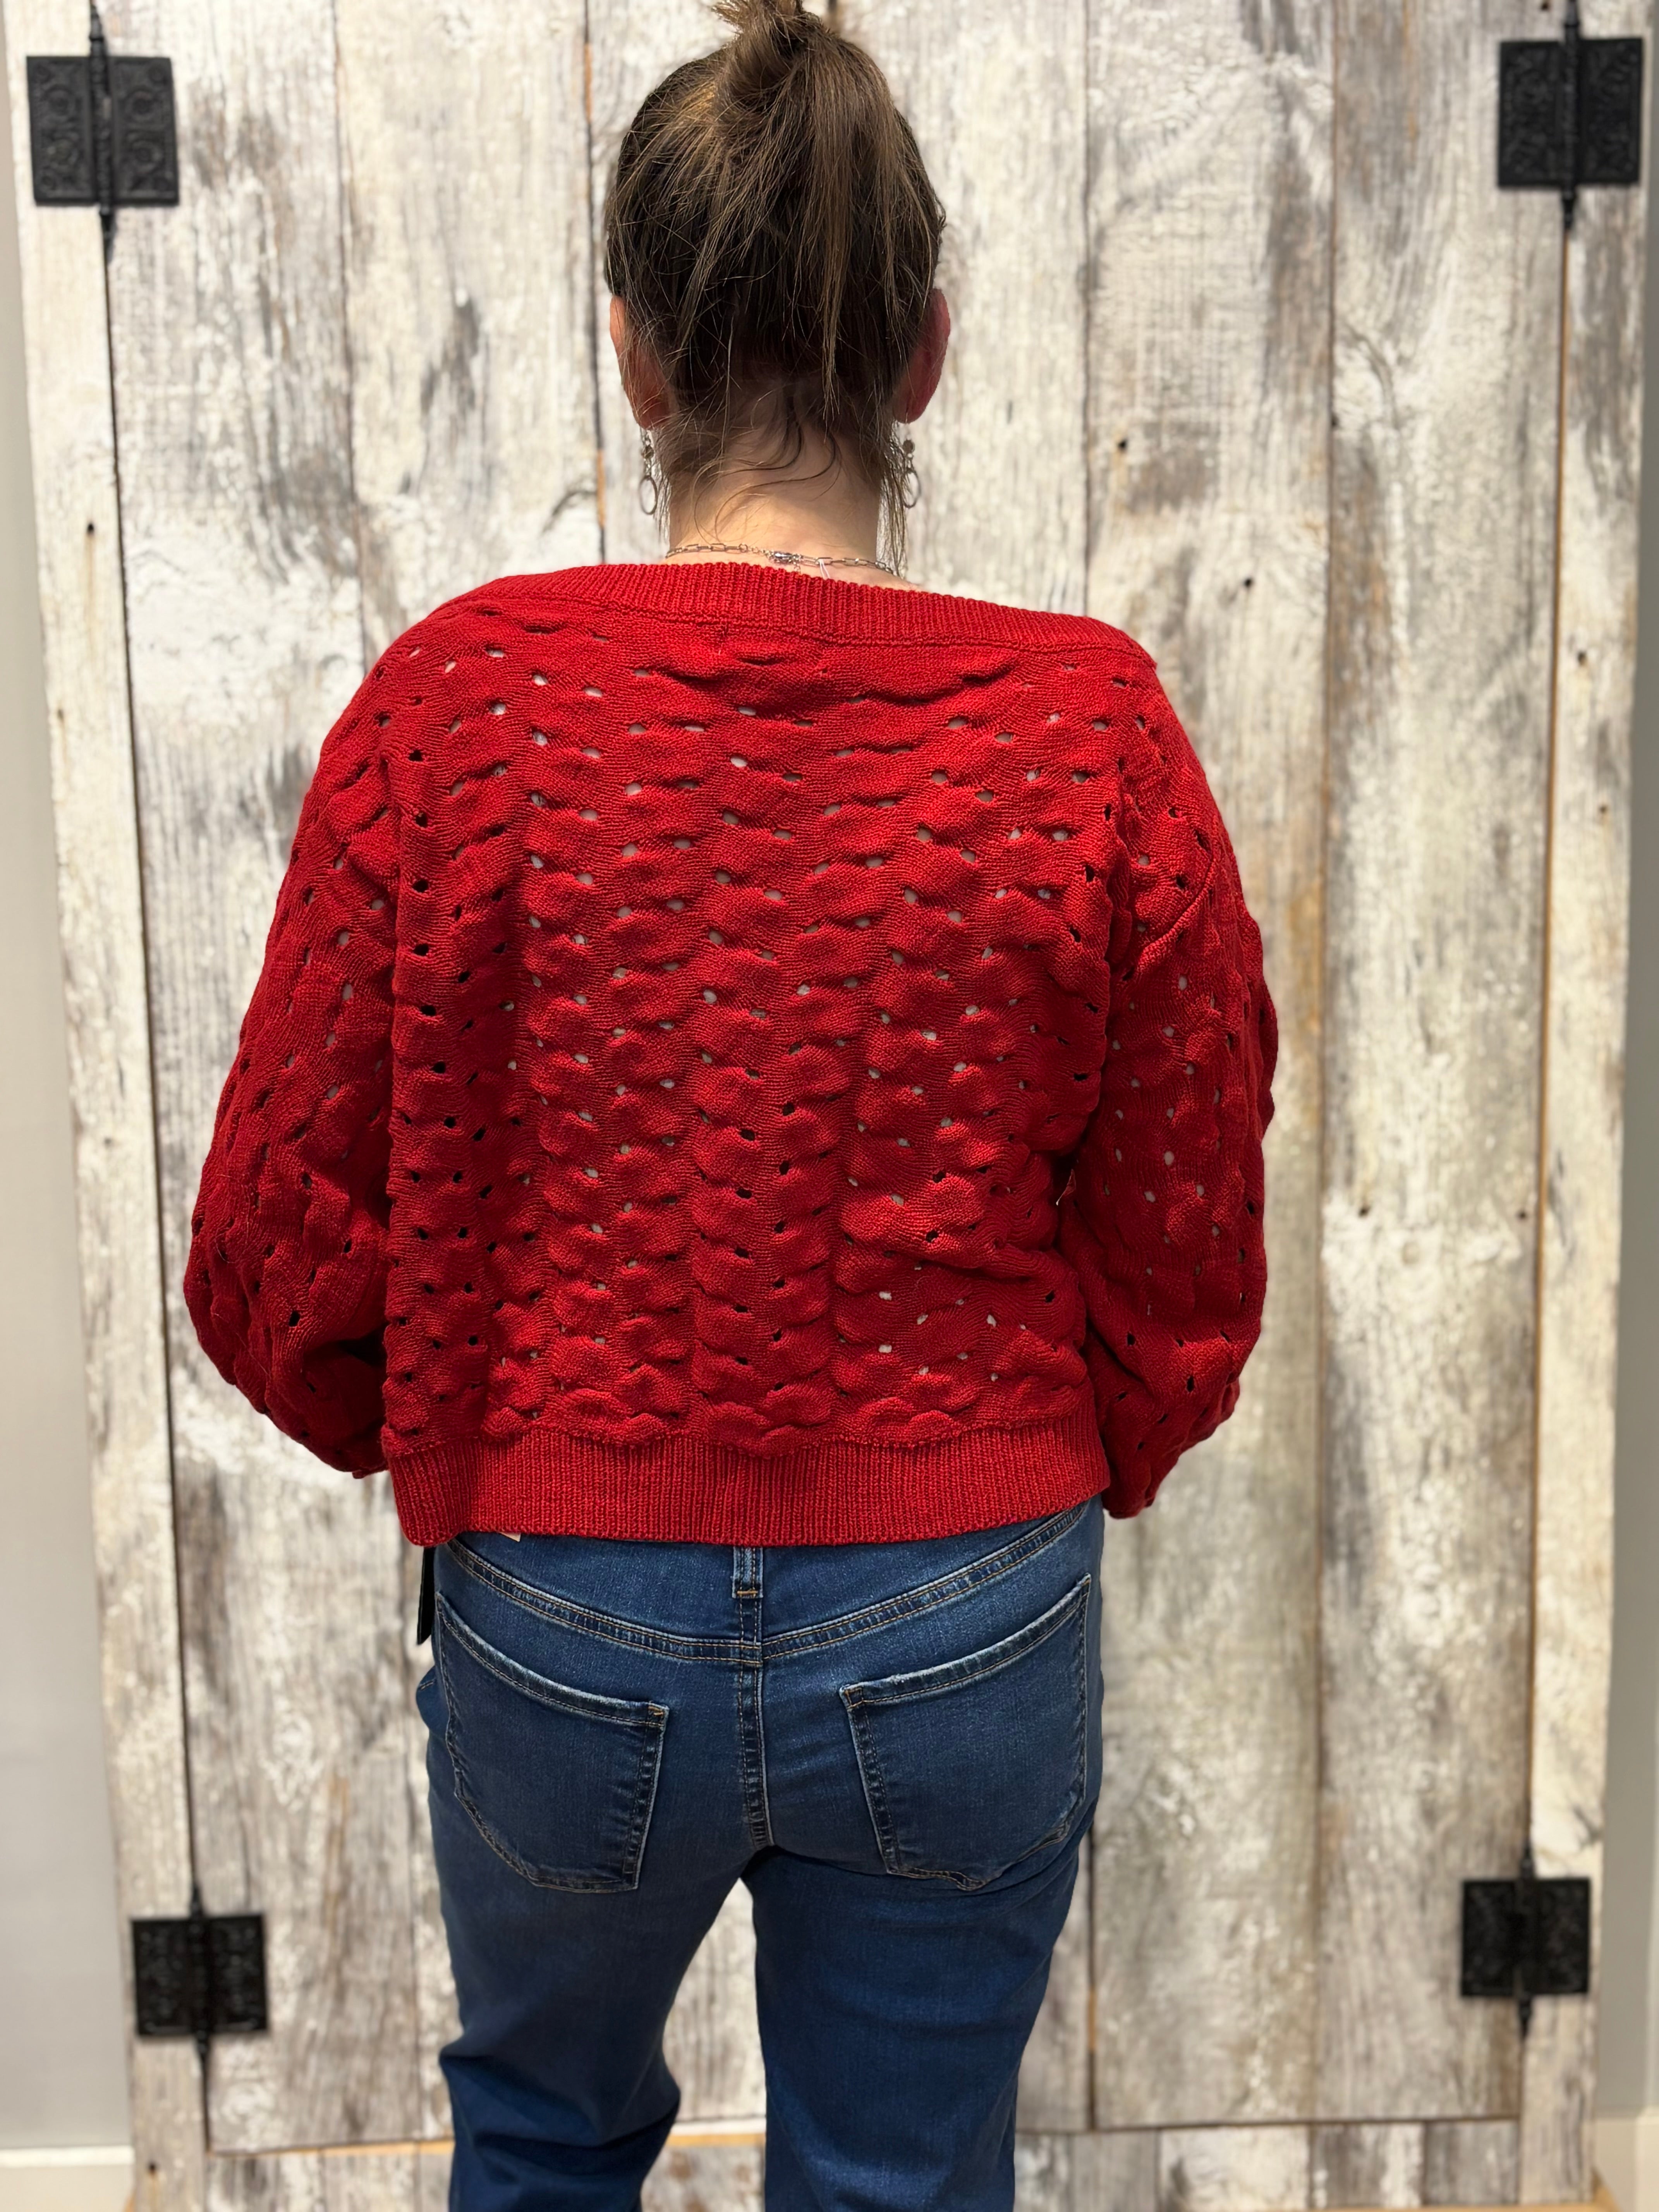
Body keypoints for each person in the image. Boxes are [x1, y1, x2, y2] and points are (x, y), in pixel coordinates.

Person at [184, 1, 1276, 2204]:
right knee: (904, 2181)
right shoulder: (1094, 735)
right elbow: (1185, 1242)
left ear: (636, 354)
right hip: (965, 1597)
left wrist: (481, 1451)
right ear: (926, 354)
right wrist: (1032, 1461)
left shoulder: (457, 711)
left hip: (560, 1598)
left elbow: (274, 1254)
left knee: (540, 2145)